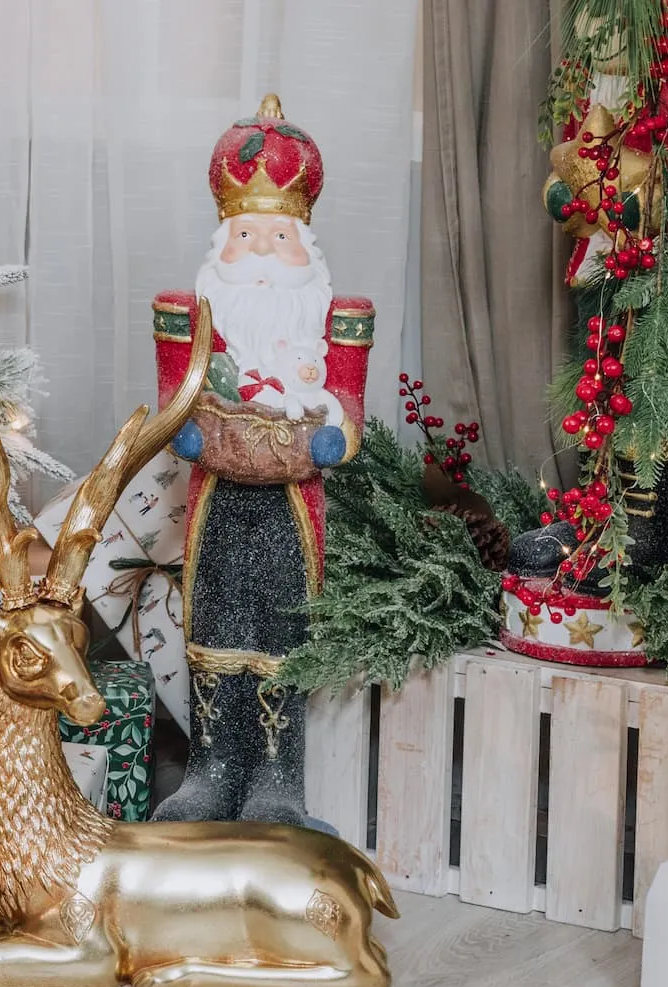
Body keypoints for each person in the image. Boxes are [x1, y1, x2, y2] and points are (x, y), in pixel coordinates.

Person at [150, 95, 373, 825]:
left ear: (306, 244)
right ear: (222, 244)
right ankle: (213, 768)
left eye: (280, 236)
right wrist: (186, 426)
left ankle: (279, 779)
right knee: (214, 624)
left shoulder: (333, 318)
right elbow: (172, 403)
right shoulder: (193, 314)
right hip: (218, 495)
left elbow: (347, 404)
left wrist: (332, 429)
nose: (264, 253)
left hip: (290, 499)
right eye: (246, 234)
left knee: (283, 631)